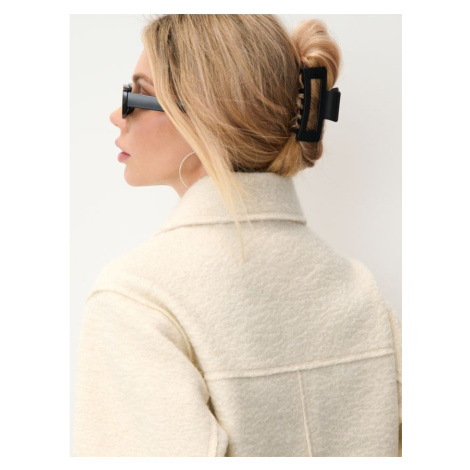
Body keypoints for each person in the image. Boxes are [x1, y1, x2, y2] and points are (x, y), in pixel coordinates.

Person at [72, 14, 402, 457]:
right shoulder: (362, 295)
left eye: (137, 95)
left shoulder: (137, 300)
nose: (118, 115)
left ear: (205, 117)